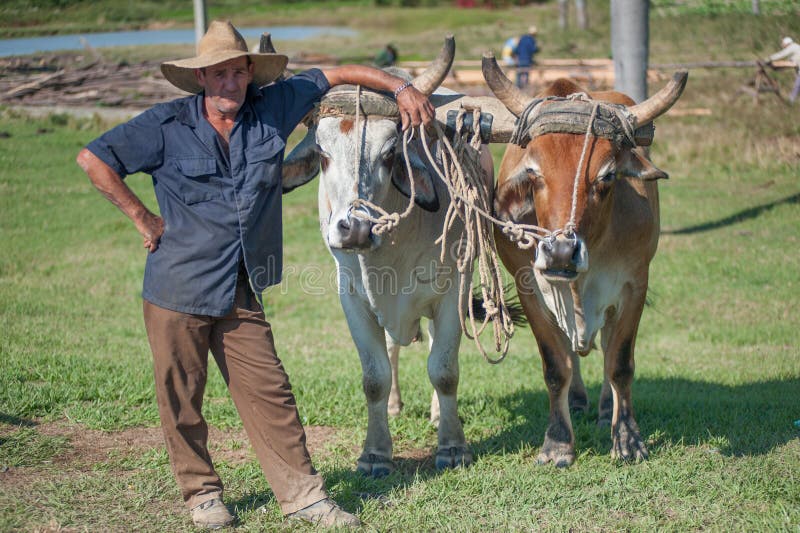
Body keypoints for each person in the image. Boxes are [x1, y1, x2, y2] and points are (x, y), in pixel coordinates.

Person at [76, 20, 434, 530]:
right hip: (177, 288)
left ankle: (305, 496)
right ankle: (201, 495)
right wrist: (142, 217)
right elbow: (93, 158)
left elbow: (336, 74)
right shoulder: (164, 125)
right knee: (182, 398)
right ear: (201, 79)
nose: (229, 83)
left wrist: (400, 88)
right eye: (218, 74)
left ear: (250, 75)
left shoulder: (275, 108)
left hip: (241, 287)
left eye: (238, 73)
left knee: (272, 393)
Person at [767, 36, 800, 104]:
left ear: (787, 43)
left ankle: (790, 101)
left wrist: (769, 58)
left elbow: (781, 54)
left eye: (783, 43)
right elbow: (791, 60)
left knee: (797, 85)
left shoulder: (792, 47)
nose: (782, 45)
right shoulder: (795, 47)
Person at [514, 25, 540, 89]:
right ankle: (525, 89)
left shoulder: (522, 38)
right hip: (527, 60)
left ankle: (517, 89)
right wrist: (538, 49)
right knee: (526, 74)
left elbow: (516, 50)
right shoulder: (531, 40)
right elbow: (532, 50)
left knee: (519, 75)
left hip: (520, 60)